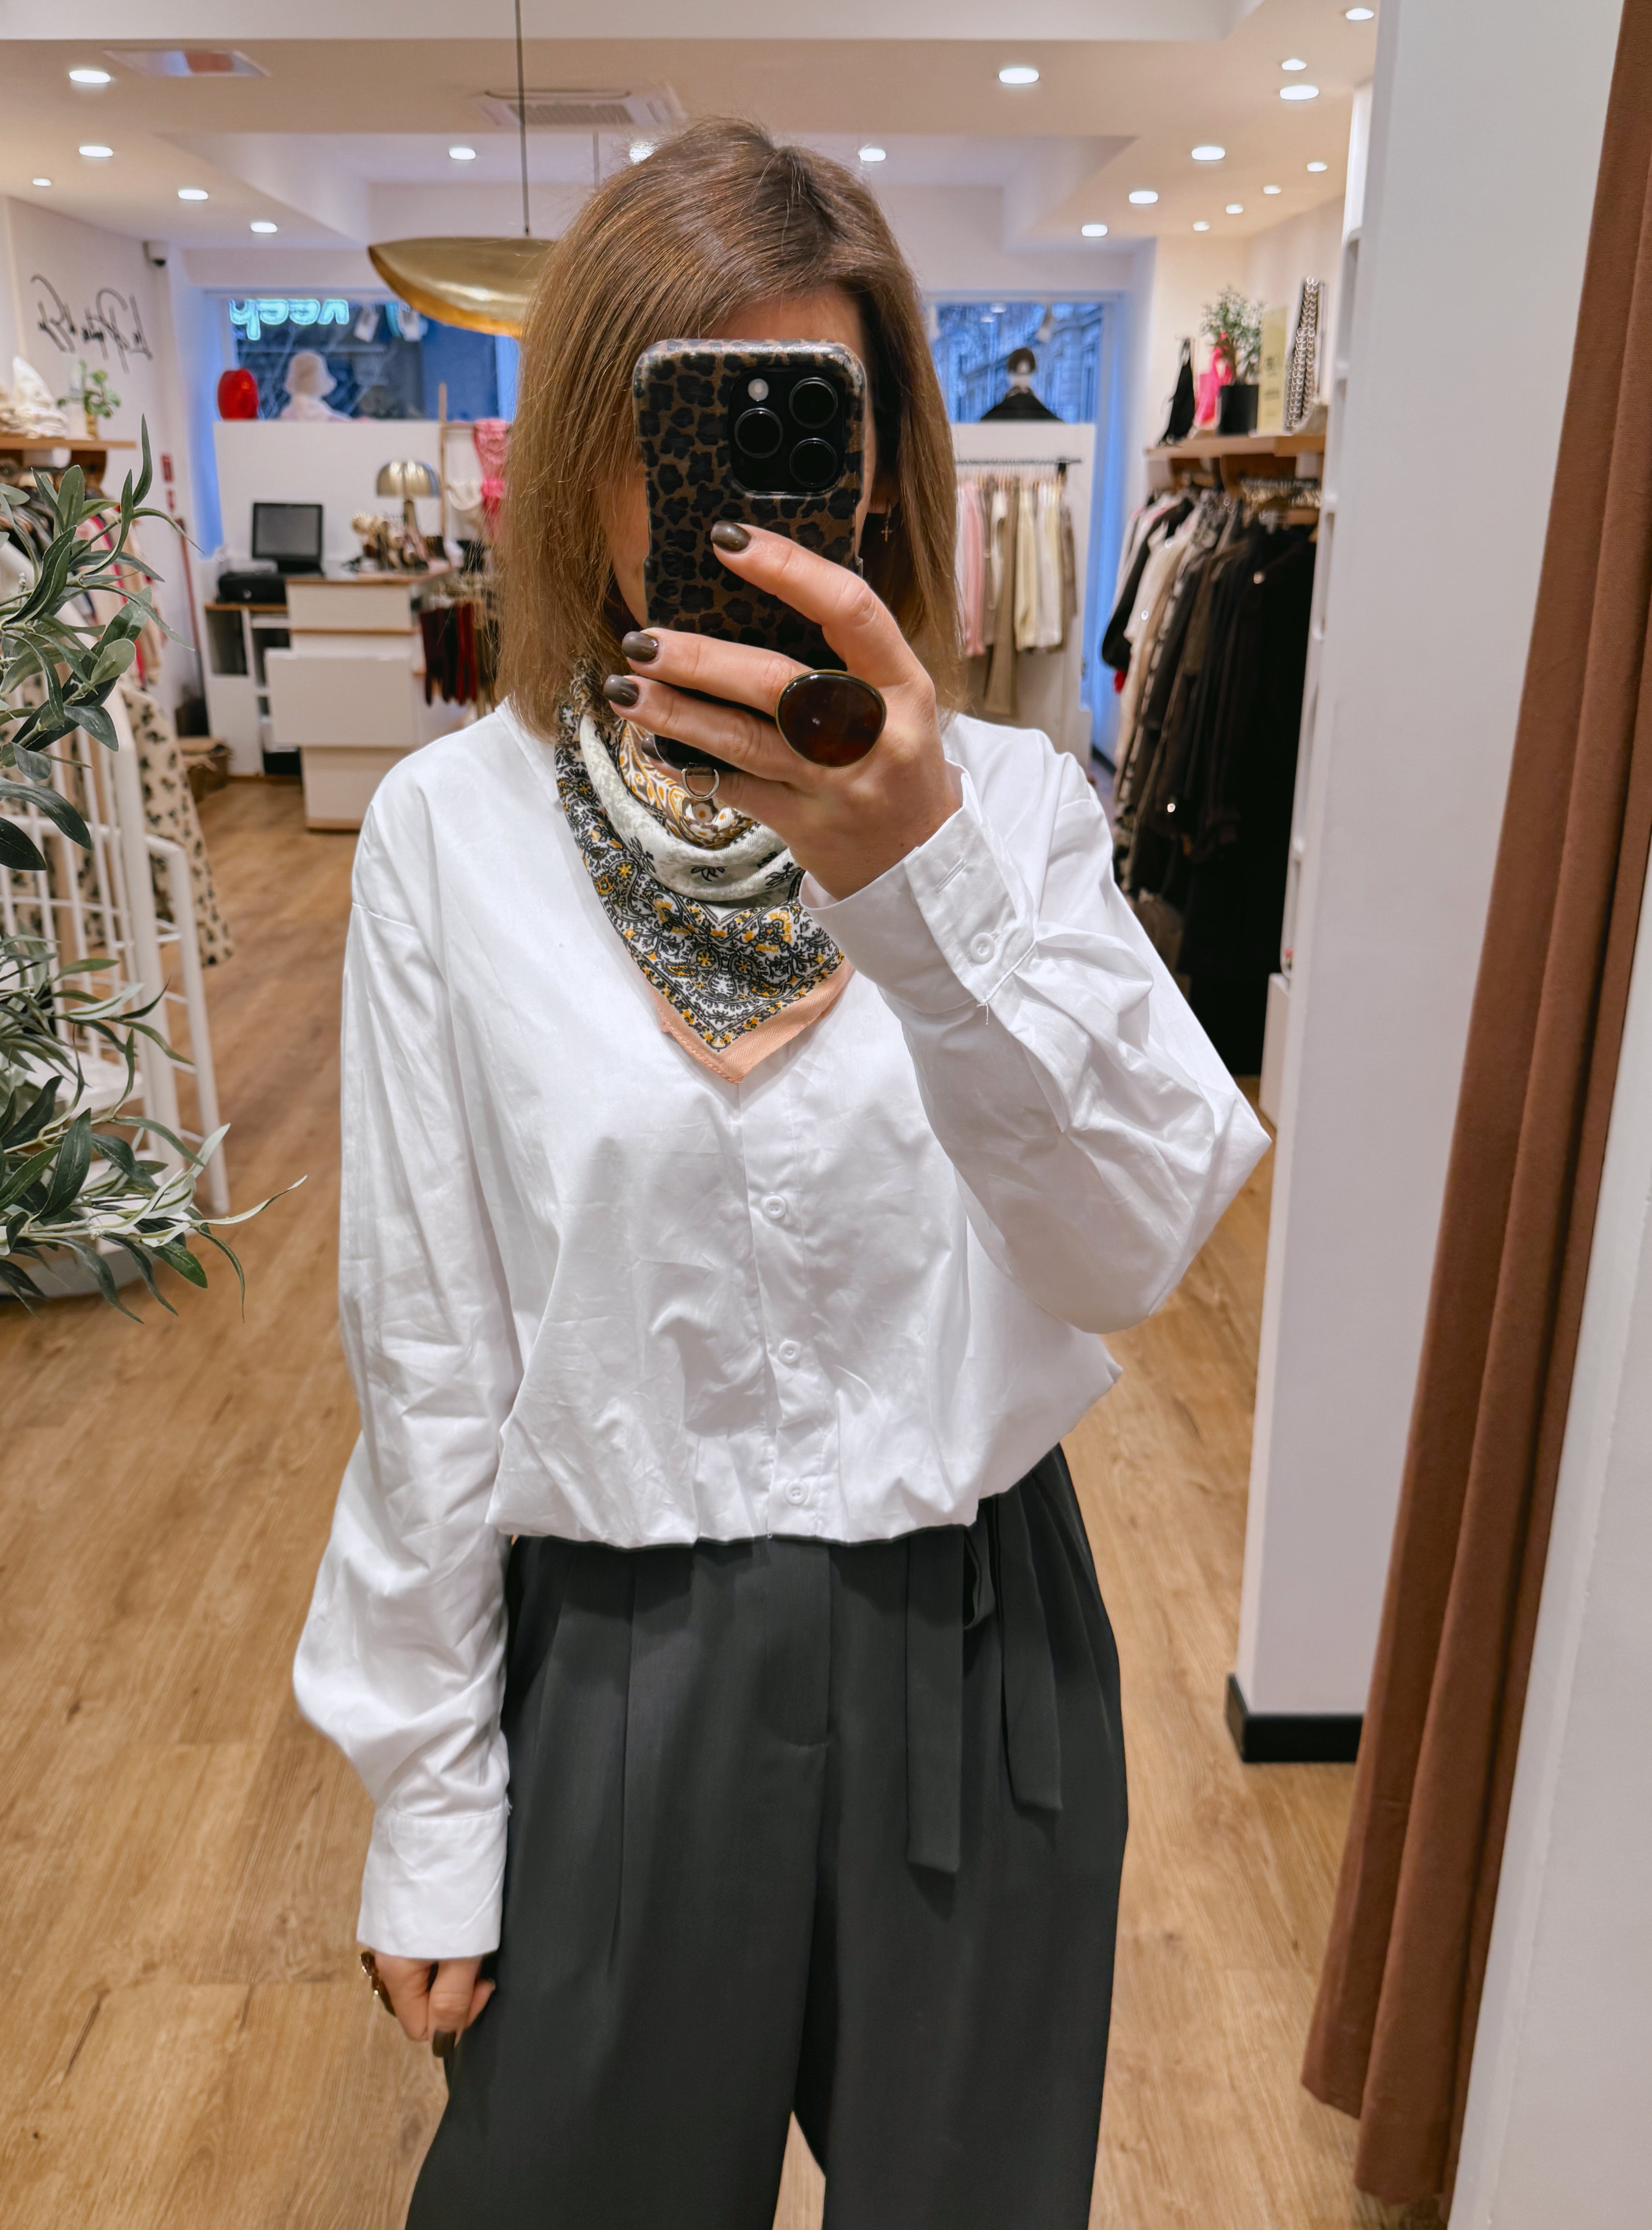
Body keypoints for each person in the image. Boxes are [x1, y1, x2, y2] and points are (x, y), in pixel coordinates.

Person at [294, 117, 1267, 2230]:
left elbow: (1127, 1246)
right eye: (681, 424)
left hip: (978, 1646)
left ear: (884, 464)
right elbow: (430, 1348)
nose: (730, 505)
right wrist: (429, 1806)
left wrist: (916, 881)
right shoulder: (455, 835)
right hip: (618, 1657)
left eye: (801, 424)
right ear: (587, 460)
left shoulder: (1009, 810)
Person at [980, 342, 1062, 420]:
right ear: (1009, 375)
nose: (1021, 380)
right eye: (1017, 374)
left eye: (1025, 374)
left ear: (1031, 375)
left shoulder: (1038, 409)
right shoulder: (999, 411)